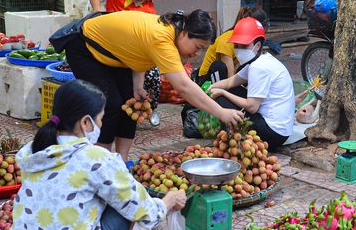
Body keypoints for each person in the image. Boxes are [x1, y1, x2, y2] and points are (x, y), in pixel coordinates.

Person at [4, 80, 187, 230]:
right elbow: (142, 209)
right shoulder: (95, 158)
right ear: (85, 122)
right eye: (100, 118)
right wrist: (169, 200)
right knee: (125, 202)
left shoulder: (36, 151)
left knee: (107, 193)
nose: (101, 124)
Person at [65, 10, 244, 161]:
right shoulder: (163, 38)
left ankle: (122, 161)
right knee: (110, 105)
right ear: (183, 34)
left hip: (114, 54)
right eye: (197, 47)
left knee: (130, 103)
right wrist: (221, 112)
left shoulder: (171, 32)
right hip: (84, 46)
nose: (197, 54)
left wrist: (138, 86)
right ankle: (101, 164)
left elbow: (138, 51)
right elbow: (184, 86)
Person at [205, 17, 295, 150]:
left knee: (223, 98)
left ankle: (234, 137)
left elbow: (252, 107)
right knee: (229, 91)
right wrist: (210, 88)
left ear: (257, 45)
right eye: (236, 46)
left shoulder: (258, 67)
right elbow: (230, 82)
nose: (239, 50)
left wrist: (222, 92)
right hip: (283, 131)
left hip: (272, 132)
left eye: (244, 46)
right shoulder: (262, 60)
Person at [196, 6, 269, 85]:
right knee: (220, 67)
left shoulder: (254, 45)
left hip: (228, 76)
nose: (259, 39)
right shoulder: (226, 42)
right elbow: (230, 79)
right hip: (207, 79)